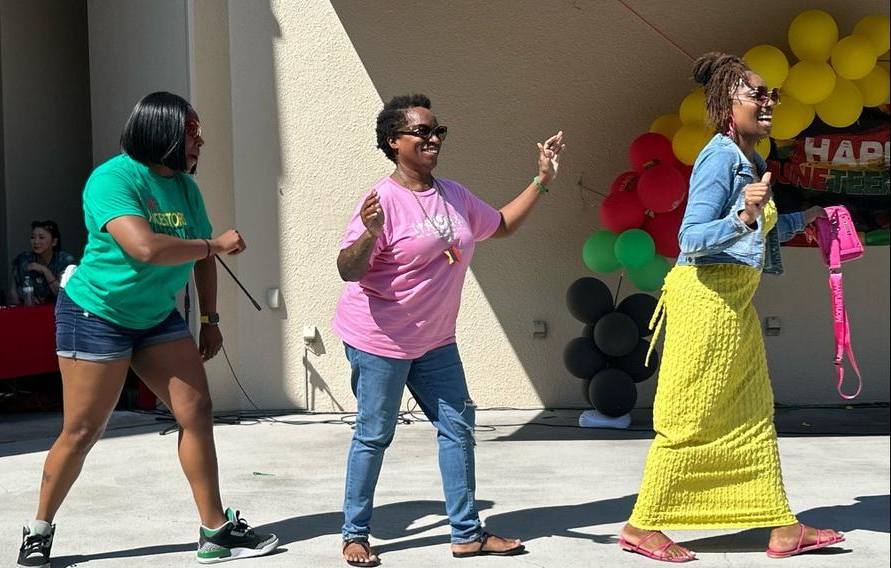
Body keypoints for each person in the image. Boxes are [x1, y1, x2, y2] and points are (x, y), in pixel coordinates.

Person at [16, 92, 278, 568]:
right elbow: (144, 248)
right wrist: (214, 243)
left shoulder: (185, 188)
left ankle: (214, 531)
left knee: (196, 410)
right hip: (96, 315)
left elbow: (204, 258)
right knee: (82, 430)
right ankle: (39, 529)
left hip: (155, 316)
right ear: (162, 132)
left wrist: (209, 319)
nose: (200, 141)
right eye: (192, 131)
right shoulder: (112, 179)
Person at [618, 52, 843, 562]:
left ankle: (782, 526)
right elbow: (691, 237)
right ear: (726, 106)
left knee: (752, 415)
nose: (768, 103)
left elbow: (756, 232)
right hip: (705, 305)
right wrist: (744, 213)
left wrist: (805, 218)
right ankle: (641, 524)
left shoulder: (752, 159)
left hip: (733, 309)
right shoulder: (719, 157)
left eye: (772, 96)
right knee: (690, 417)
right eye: (757, 95)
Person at [333, 93, 563, 567]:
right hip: (380, 341)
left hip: (435, 340)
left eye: (439, 131)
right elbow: (347, 270)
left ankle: (466, 533)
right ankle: (355, 533)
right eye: (422, 131)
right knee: (375, 434)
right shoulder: (382, 201)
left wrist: (541, 181)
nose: (433, 138)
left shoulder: (453, 194)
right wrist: (371, 233)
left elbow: (499, 225)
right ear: (394, 141)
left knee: (457, 428)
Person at [10, 220, 77, 305]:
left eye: (41, 237)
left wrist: (46, 271)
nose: (36, 241)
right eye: (33, 237)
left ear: (54, 242)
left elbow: (65, 296)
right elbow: (13, 293)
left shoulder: (64, 260)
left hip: (59, 313)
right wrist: (27, 298)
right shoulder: (24, 259)